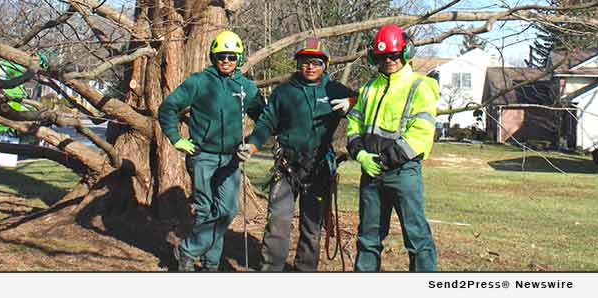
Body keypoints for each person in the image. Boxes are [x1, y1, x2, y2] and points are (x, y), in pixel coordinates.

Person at [236, 37, 356, 271]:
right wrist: (251, 147)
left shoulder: (333, 90)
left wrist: (352, 101)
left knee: (312, 226)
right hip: (287, 167)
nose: (310, 66)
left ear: (325, 65)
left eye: (315, 62)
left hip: (319, 168)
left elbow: (365, 100)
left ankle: (305, 272)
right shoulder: (284, 91)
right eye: (304, 61)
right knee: (278, 222)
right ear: (298, 63)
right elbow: (266, 123)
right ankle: (270, 270)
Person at [158, 30, 265, 272]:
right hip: (203, 156)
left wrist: (253, 142)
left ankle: (186, 250)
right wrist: (176, 139)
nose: (226, 61)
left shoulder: (246, 87)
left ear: (239, 58)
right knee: (206, 212)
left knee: (227, 211)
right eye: (221, 56)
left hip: (230, 159)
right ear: (213, 56)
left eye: (231, 56)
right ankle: (210, 266)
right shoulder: (199, 82)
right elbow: (168, 107)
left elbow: (265, 119)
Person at [346, 24, 440, 272]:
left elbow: (421, 134)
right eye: (382, 56)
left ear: (406, 53)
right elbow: (353, 125)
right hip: (371, 172)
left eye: (394, 55)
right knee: (368, 238)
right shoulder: (369, 88)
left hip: (403, 172)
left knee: (417, 237)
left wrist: (385, 160)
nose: (388, 60)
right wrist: (361, 154)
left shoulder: (420, 86)